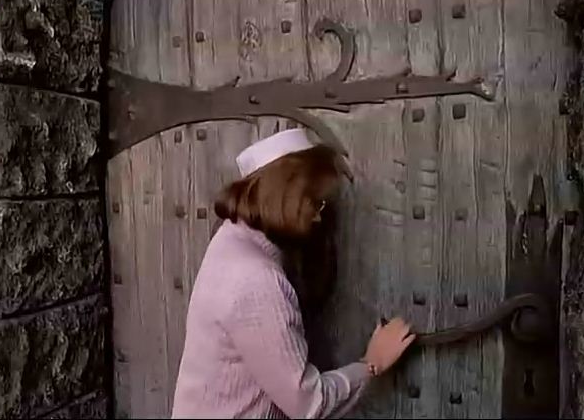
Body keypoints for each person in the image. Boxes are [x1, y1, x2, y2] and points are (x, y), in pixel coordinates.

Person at [171, 128, 415, 419]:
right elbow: (307, 403)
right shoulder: (257, 279)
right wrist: (372, 363)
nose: (318, 216)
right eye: (315, 202)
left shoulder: (229, 240)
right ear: (287, 196)